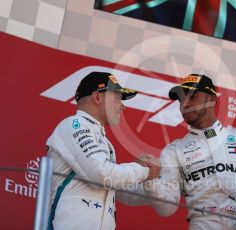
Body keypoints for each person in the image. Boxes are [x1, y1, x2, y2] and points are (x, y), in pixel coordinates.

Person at [139, 74, 236, 230]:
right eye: (181, 100)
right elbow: (166, 209)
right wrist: (151, 181)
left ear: (212, 99)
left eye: (192, 97)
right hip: (203, 223)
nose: (184, 104)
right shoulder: (173, 150)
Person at [46, 71, 160, 230]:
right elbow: (101, 174)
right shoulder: (74, 125)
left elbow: (117, 189)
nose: (123, 107)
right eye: (118, 98)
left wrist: (157, 182)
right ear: (97, 97)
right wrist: (144, 171)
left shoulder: (101, 139)